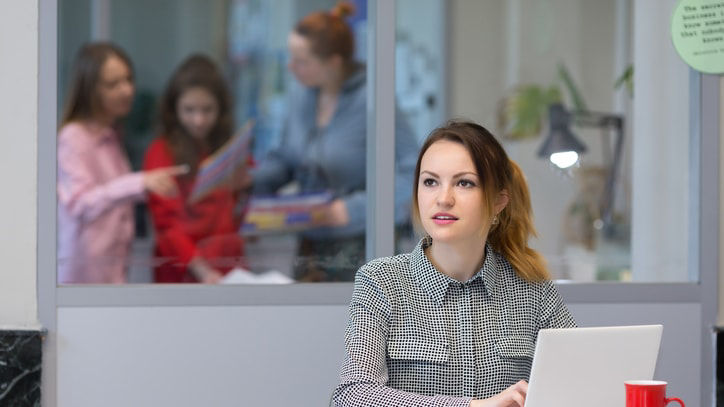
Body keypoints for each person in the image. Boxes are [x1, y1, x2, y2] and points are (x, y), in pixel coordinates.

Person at [332, 120, 577, 406]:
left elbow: (581, 377)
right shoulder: (381, 281)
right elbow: (352, 397)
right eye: (430, 182)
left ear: (499, 201)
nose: (443, 199)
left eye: (464, 183)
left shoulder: (533, 290)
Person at [250, 1, 419, 282]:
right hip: (310, 246)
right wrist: (250, 181)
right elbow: (287, 158)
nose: (291, 68)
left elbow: (411, 172)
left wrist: (351, 210)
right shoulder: (302, 96)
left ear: (333, 63)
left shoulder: (372, 100)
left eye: (302, 61)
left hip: (361, 247)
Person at [57, 42, 186, 284]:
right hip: (82, 278)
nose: (127, 90)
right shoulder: (73, 137)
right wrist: (140, 183)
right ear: (90, 90)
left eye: (128, 79)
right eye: (113, 84)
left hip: (112, 271)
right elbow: (81, 204)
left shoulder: (111, 134)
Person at [143, 55, 248, 283]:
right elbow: (167, 228)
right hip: (182, 273)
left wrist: (246, 188)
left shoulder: (230, 148)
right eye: (189, 110)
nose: (199, 120)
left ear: (221, 109)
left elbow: (242, 210)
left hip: (228, 268)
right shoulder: (161, 152)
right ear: (174, 109)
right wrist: (202, 270)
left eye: (207, 110)